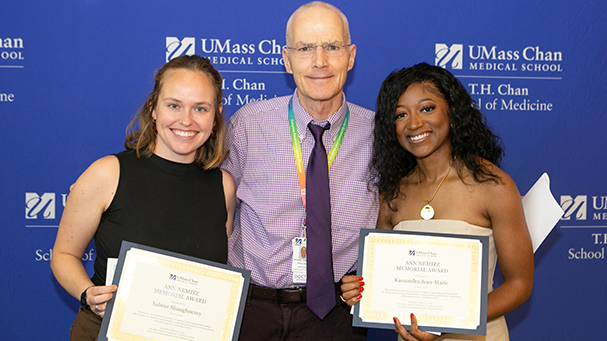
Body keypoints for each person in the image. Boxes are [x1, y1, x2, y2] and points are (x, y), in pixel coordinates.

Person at [340, 62, 534, 341]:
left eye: (426, 108)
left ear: (452, 112)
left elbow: (519, 285)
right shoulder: (393, 191)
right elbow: (378, 280)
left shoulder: (494, 185)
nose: (415, 123)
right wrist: (357, 289)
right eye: (400, 115)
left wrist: (445, 323)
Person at [221, 2, 377, 340]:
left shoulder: (378, 134)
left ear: (350, 57)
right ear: (286, 59)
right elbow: (213, 213)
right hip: (252, 311)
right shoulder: (249, 124)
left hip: (337, 316)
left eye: (332, 47)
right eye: (305, 48)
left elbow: (397, 220)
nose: (320, 61)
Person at [50, 55, 235, 340]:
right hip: (106, 331)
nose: (186, 120)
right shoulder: (108, 173)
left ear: (216, 115)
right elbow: (64, 255)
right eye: (174, 105)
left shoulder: (223, 186)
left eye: (200, 108)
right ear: (153, 109)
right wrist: (87, 293)